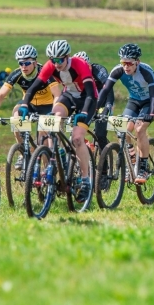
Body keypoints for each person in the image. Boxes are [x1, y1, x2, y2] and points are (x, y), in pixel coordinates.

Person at [21, 40, 97, 202]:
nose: (56, 64)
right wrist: (24, 104)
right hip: (68, 96)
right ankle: (60, 154)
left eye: (59, 60)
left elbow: (91, 93)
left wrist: (83, 112)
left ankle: (85, 181)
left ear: (67, 57)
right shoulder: (50, 66)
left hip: (87, 100)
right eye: (52, 60)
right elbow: (33, 87)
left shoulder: (80, 64)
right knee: (51, 121)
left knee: (77, 138)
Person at [96, 43, 154, 184]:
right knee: (123, 129)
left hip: (149, 102)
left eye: (129, 63)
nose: (126, 66)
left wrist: (152, 114)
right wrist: (95, 109)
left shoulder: (146, 72)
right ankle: (130, 159)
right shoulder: (117, 71)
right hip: (134, 101)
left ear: (137, 62)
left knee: (139, 129)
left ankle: (142, 167)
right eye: (123, 63)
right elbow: (104, 91)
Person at [0, 45, 61, 169]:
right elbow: (1, 95)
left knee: (44, 140)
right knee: (16, 116)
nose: (23, 66)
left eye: (27, 63)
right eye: (21, 63)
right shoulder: (17, 73)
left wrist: (54, 112)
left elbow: (57, 94)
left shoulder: (45, 71)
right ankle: (24, 151)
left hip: (47, 106)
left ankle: (48, 172)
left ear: (35, 62)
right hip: (29, 104)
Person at [73, 50, 114, 152]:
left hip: (102, 103)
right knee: (75, 132)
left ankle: (103, 166)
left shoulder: (99, 70)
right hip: (87, 102)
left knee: (100, 134)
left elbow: (109, 89)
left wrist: (108, 106)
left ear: (89, 65)